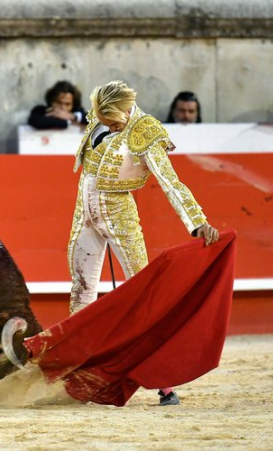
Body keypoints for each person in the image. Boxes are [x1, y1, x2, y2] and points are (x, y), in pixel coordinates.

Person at [67, 80, 220, 406]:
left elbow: (170, 182)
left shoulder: (145, 131)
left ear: (124, 110)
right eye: (102, 119)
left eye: (112, 120)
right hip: (85, 216)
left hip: (120, 218)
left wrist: (197, 222)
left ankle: (164, 383)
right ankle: (78, 375)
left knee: (143, 297)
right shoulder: (100, 117)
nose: (107, 124)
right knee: (81, 292)